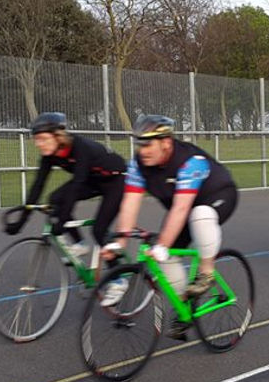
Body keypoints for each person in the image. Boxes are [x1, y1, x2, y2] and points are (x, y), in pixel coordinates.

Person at [101, 114, 238, 340]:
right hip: (181, 207)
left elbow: (182, 208)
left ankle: (206, 272)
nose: (142, 150)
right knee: (162, 257)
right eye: (139, 144)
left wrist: (163, 244)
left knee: (199, 216)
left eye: (147, 144)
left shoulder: (190, 161)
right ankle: (185, 307)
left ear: (165, 142)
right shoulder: (137, 164)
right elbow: (129, 203)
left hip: (217, 196)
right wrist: (120, 242)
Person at [4, 112, 126, 257]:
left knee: (98, 230)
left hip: (116, 181)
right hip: (92, 180)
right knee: (55, 199)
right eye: (36, 139)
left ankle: (117, 270)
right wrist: (21, 221)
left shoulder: (80, 147)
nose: (38, 144)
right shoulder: (49, 155)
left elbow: (77, 184)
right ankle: (80, 244)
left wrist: (62, 220)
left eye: (43, 139)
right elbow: (38, 185)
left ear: (58, 136)